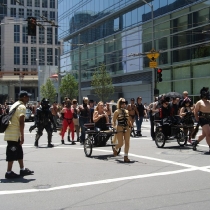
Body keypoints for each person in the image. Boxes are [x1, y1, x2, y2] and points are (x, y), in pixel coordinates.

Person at [4, 90, 34, 179]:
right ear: (23, 97)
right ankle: (8, 172)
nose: (28, 98)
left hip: (11, 132)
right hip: (13, 134)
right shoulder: (22, 107)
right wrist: (22, 136)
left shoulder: (15, 104)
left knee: (19, 152)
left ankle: (22, 169)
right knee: (12, 152)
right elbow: (21, 123)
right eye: (27, 96)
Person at [112, 98, 132, 163]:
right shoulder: (117, 111)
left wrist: (131, 125)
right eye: (122, 103)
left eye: (124, 103)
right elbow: (113, 121)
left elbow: (128, 120)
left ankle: (126, 156)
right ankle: (115, 148)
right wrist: (114, 127)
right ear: (119, 104)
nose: (124, 104)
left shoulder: (127, 111)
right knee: (120, 143)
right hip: (120, 127)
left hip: (126, 127)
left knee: (127, 142)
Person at [192, 87, 210, 152]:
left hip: (209, 119)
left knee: (204, 134)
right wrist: (197, 119)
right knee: (208, 133)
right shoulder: (199, 102)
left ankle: (195, 143)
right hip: (203, 119)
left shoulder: (209, 102)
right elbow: (195, 111)